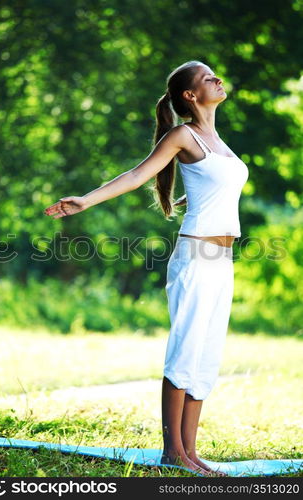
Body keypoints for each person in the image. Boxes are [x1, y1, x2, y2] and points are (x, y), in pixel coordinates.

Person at [44, 60, 249, 477]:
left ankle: (190, 453)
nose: (218, 80)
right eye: (208, 78)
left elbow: (213, 193)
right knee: (185, 353)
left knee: (206, 357)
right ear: (190, 95)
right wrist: (85, 200)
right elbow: (137, 175)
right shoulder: (183, 134)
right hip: (195, 257)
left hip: (221, 261)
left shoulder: (218, 140)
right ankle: (172, 452)